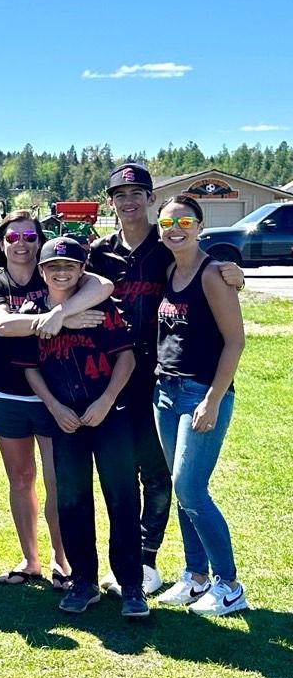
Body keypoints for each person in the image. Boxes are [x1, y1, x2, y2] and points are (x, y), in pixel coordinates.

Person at [88, 163, 244, 597]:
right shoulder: (99, 253)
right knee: (121, 470)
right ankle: (154, 566)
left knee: (161, 476)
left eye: (138, 193)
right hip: (113, 374)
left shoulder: (168, 248)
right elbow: (67, 281)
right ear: (111, 202)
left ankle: (147, 559)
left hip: (162, 377)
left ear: (152, 200)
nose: (130, 201)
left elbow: (209, 271)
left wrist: (235, 273)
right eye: (120, 194)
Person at [0, 210, 114, 588]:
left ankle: (63, 561)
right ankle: (30, 559)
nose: (21, 244)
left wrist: (59, 312)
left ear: (39, 240)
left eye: (29, 237)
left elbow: (102, 285)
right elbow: (2, 325)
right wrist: (60, 321)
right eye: (12, 237)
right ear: (1, 244)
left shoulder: (55, 273)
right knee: (20, 478)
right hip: (6, 393)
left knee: (58, 482)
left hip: (56, 396)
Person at [17, 238, 147, 618]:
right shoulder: (34, 311)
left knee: (122, 497)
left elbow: (126, 358)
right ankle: (84, 581)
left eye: (70, 266)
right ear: (41, 271)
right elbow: (29, 367)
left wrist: (106, 400)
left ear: (82, 270)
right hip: (65, 418)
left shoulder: (100, 305)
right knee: (72, 499)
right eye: (53, 266)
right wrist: (54, 407)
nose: (61, 273)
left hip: (110, 412)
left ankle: (131, 584)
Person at [152, 195, 248, 615]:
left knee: (191, 487)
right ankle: (194, 577)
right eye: (168, 221)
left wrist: (212, 399)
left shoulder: (212, 275)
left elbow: (235, 341)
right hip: (166, 394)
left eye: (184, 221)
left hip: (200, 395)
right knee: (180, 488)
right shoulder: (171, 268)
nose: (175, 228)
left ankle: (229, 585)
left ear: (200, 225)